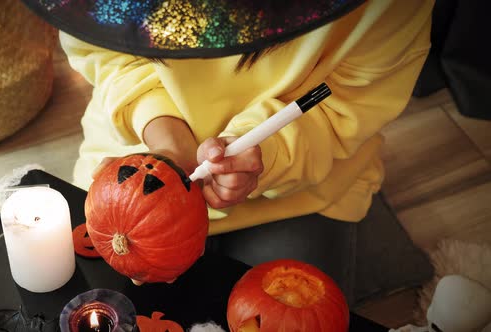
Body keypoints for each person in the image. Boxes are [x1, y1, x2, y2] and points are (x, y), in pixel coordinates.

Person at [21, 0, 434, 306]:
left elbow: (345, 102)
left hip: (299, 191)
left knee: (291, 309)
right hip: (134, 150)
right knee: (97, 308)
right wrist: (164, 135)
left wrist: (268, 154)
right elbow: (105, 54)